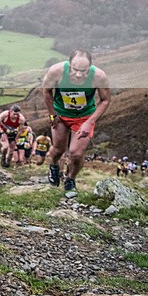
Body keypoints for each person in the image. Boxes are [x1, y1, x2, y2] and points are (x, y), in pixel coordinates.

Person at [43, 49, 111, 198]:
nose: (79, 74)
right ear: (69, 64)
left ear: (91, 67)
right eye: (75, 70)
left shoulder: (99, 76)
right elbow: (47, 91)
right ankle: (54, 166)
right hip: (61, 114)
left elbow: (105, 100)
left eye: (84, 71)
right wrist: (52, 114)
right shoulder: (56, 71)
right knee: (58, 150)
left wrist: (90, 122)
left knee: (76, 154)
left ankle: (70, 179)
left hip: (84, 117)